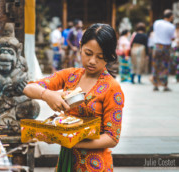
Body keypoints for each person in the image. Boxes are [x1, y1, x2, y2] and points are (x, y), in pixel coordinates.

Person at [24, 23, 124, 172]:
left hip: (95, 164)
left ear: (109, 56)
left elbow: (112, 138)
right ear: (80, 46)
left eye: (100, 57)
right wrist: (48, 95)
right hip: (67, 159)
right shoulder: (70, 76)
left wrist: (71, 141)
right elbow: (28, 87)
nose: (92, 61)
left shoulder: (112, 88)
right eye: (88, 53)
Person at [152, 9, 175, 91]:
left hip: (157, 46)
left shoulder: (157, 22)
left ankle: (155, 85)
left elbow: (155, 32)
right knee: (165, 66)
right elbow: (172, 38)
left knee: (156, 65)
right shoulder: (171, 26)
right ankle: (164, 85)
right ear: (170, 17)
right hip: (166, 47)